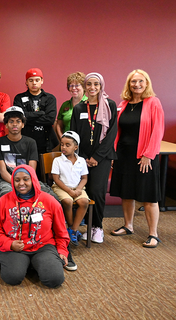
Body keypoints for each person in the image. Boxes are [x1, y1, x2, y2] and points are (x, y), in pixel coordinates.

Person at [0, 165, 69, 287]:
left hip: (43, 246)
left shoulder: (50, 201)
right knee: (12, 277)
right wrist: (9, 244)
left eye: (26, 179)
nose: (21, 183)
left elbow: (61, 231)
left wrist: (62, 249)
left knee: (54, 279)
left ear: (33, 180)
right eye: (17, 180)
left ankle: (34, 263)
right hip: (15, 247)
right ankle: (27, 264)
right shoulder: (3, 201)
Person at [110, 70, 165, 248]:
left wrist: (149, 155)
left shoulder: (153, 103)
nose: (137, 85)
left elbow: (158, 131)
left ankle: (153, 234)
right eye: (133, 82)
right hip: (124, 155)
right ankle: (128, 226)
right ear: (129, 84)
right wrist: (114, 153)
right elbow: (117, 131)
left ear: (147, 83)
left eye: (141, 81)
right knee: (126, 193)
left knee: (149, 196)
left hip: (144, 156)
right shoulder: (124, 104)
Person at [70, 72, 118, 244]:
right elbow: (74, 136)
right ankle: (88, 226)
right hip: (82, 158)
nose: (92, 87)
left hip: (102, 158)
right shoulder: (79, 108)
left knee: (97, 192)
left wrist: (97, 156)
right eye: (89, 84)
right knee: (86, 191)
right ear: (84, 86)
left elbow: (112, 134)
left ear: (101, 86)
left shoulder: (109, 105)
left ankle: (97, 227)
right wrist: (83, 157)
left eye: (96, 84)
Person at [51, 131, 89, 246]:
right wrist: (69, 191)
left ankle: (73, 230)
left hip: (77, 188)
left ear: (75, 147)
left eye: (68, 145)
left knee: (84, 202)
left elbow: (84, 178)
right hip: (61, 187)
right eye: (62, 144)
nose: (64, 147)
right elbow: (56, 179)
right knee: (67, 201)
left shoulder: (81, 160)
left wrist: (78, 190)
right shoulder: (57, 160)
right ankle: (70, 226)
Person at [0, 107, 38, 199]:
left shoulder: (31, 142)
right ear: (6, 125)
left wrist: (24, 183)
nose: (15, 124)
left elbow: (31, 170)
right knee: (7, 196)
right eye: (11, 121)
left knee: (49, 196)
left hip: (28, 180)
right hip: (5, 181)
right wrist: (17, 184)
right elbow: (3, 171)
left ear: (23, 124)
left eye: (18, 121)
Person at [13, 68, 58, 155]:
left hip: (46, 142)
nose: (34, 83)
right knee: (27, 168)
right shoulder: (19, 98)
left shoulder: (50, 98)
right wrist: (41, 113)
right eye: (31, 80)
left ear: (42, 81)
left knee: (45, 168)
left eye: (37, 80)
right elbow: (18, 117)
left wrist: (27, 118)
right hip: (25, 141)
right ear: (26, 82)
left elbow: (50, 120)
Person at [55, 72, 87, 139]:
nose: (73, 88)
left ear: (83, 87)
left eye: (77, 85)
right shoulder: (65, 105)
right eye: (71, 86)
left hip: (85, 143)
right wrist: (62, 139)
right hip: (67, 143)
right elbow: (59, 124)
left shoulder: (89, 104)